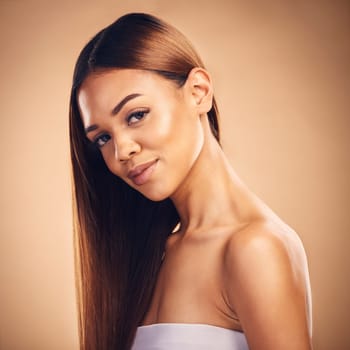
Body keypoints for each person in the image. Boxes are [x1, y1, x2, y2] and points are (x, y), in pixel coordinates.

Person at [69, 12, 313, 350]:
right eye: (102, 138)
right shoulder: (149, 255)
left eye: (136, 115)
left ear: (199, 92)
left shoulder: (254, 249)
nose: (122, 150)